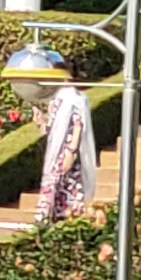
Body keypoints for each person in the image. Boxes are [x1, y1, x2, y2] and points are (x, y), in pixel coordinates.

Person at [33, 78, 98, 224]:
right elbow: (51, 131)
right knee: (54, 186)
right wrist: (40, 123)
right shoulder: (56, 99)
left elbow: (78, 125)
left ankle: (67, 219)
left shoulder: (75, 98)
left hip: (68, 153)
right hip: (55, 155)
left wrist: (71, 152)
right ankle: (50, 220)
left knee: (68, 187)